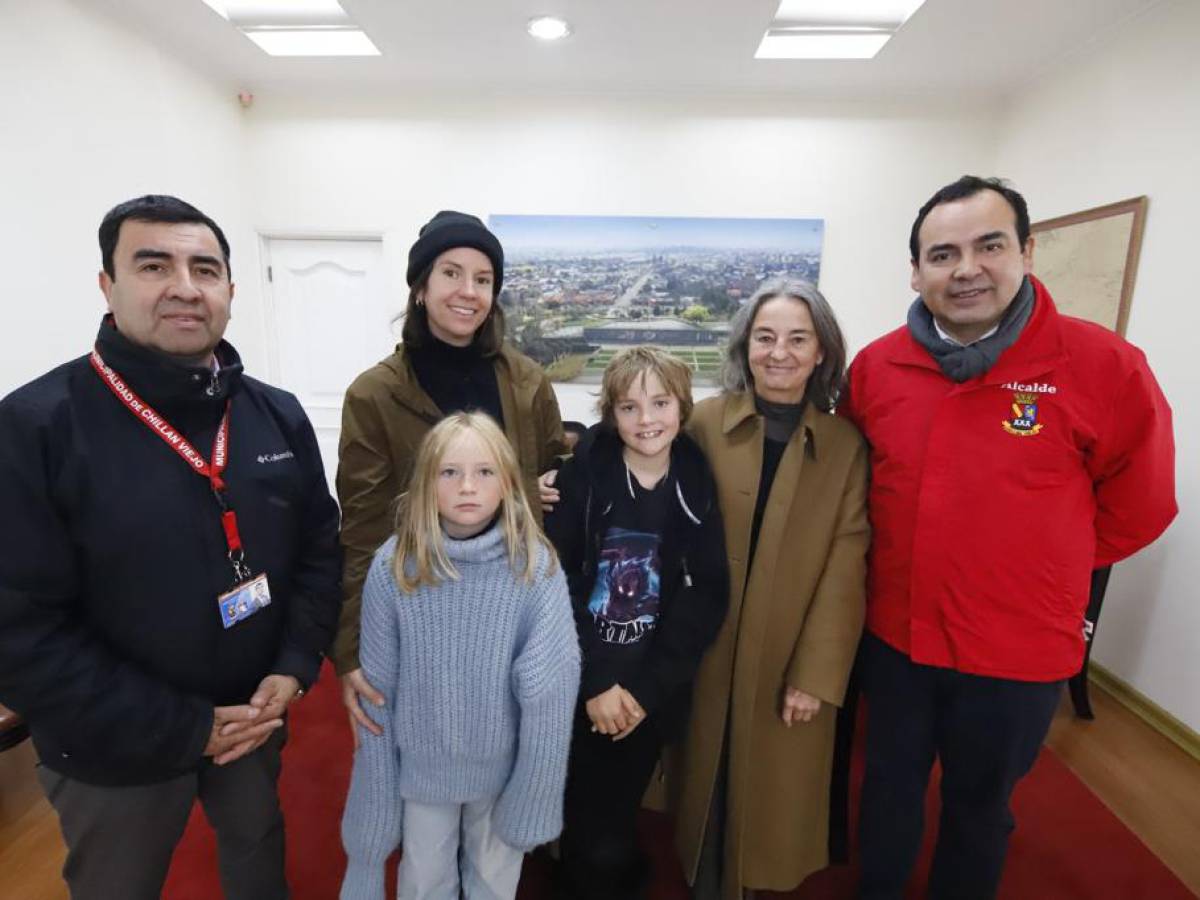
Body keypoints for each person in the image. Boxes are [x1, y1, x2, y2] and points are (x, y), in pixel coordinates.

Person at [843, 175, 1177, 900]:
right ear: (915, 270)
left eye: (988, 245)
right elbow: (850, 491)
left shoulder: (1104, 366)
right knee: (888, 793)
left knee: (978, 809)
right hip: (896, 641)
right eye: (943, 253)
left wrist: (1041, 569)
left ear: (1026, 251)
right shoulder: (876, 369)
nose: (966, 269)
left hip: (1016, 652)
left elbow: (1142, 504)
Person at [0, 195, 341, 900]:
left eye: (204, 268)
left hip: (252, 714)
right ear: (107, 285)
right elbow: (19, 631)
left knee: (257, 849)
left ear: (229, 292)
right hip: (112, 746)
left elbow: (318, 548)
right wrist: (186, 727)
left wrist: (295, 664)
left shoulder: (274, 413)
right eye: (154, 264)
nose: (185, 285)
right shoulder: (34, 429)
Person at [334, 210, 567, 742]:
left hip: (512, 607)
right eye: (451, 273)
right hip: (421, 611)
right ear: (420, 287)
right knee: (428, 772)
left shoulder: (527, 381)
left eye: (483, 280)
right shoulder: (374, 395)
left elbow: (556, 470)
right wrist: (352, 649)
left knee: (509, 765)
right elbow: (363, 529)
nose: (468, 292)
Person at [670, 279, 869, 900]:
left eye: (797, 339)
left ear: (820, 353)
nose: (779, 352)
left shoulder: (845, 446)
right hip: (705, 640)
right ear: (745, 346)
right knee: (705, 771)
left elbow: (847, 561)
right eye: (765, 337)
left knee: (772, 786)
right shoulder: (702, 422)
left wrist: (816, 672)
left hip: (788, 651)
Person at [339, 412, 579, 900]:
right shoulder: (395, 566)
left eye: (485, 472)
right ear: (427, 482)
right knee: (425, 883)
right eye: (450, 472)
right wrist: (370, 831)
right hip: (423, 770)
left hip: (503, 770)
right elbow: (376, 694)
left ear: (509, 483)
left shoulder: (535, 566)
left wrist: (534, 787)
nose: (468, 486)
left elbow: (551, 688)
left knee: (493, 883)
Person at [545, 347, 729, 900]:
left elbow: (706, 596)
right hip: (580, 676)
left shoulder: (695, 480)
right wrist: (597, 683)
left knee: (617, 814)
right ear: (610, 413)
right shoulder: (583, 479)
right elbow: (557, 582)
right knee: (579, 810)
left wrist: (644, 691)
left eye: (660, 403)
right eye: (629, 407)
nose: (646, 420)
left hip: (646, 686)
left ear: (682, 405)